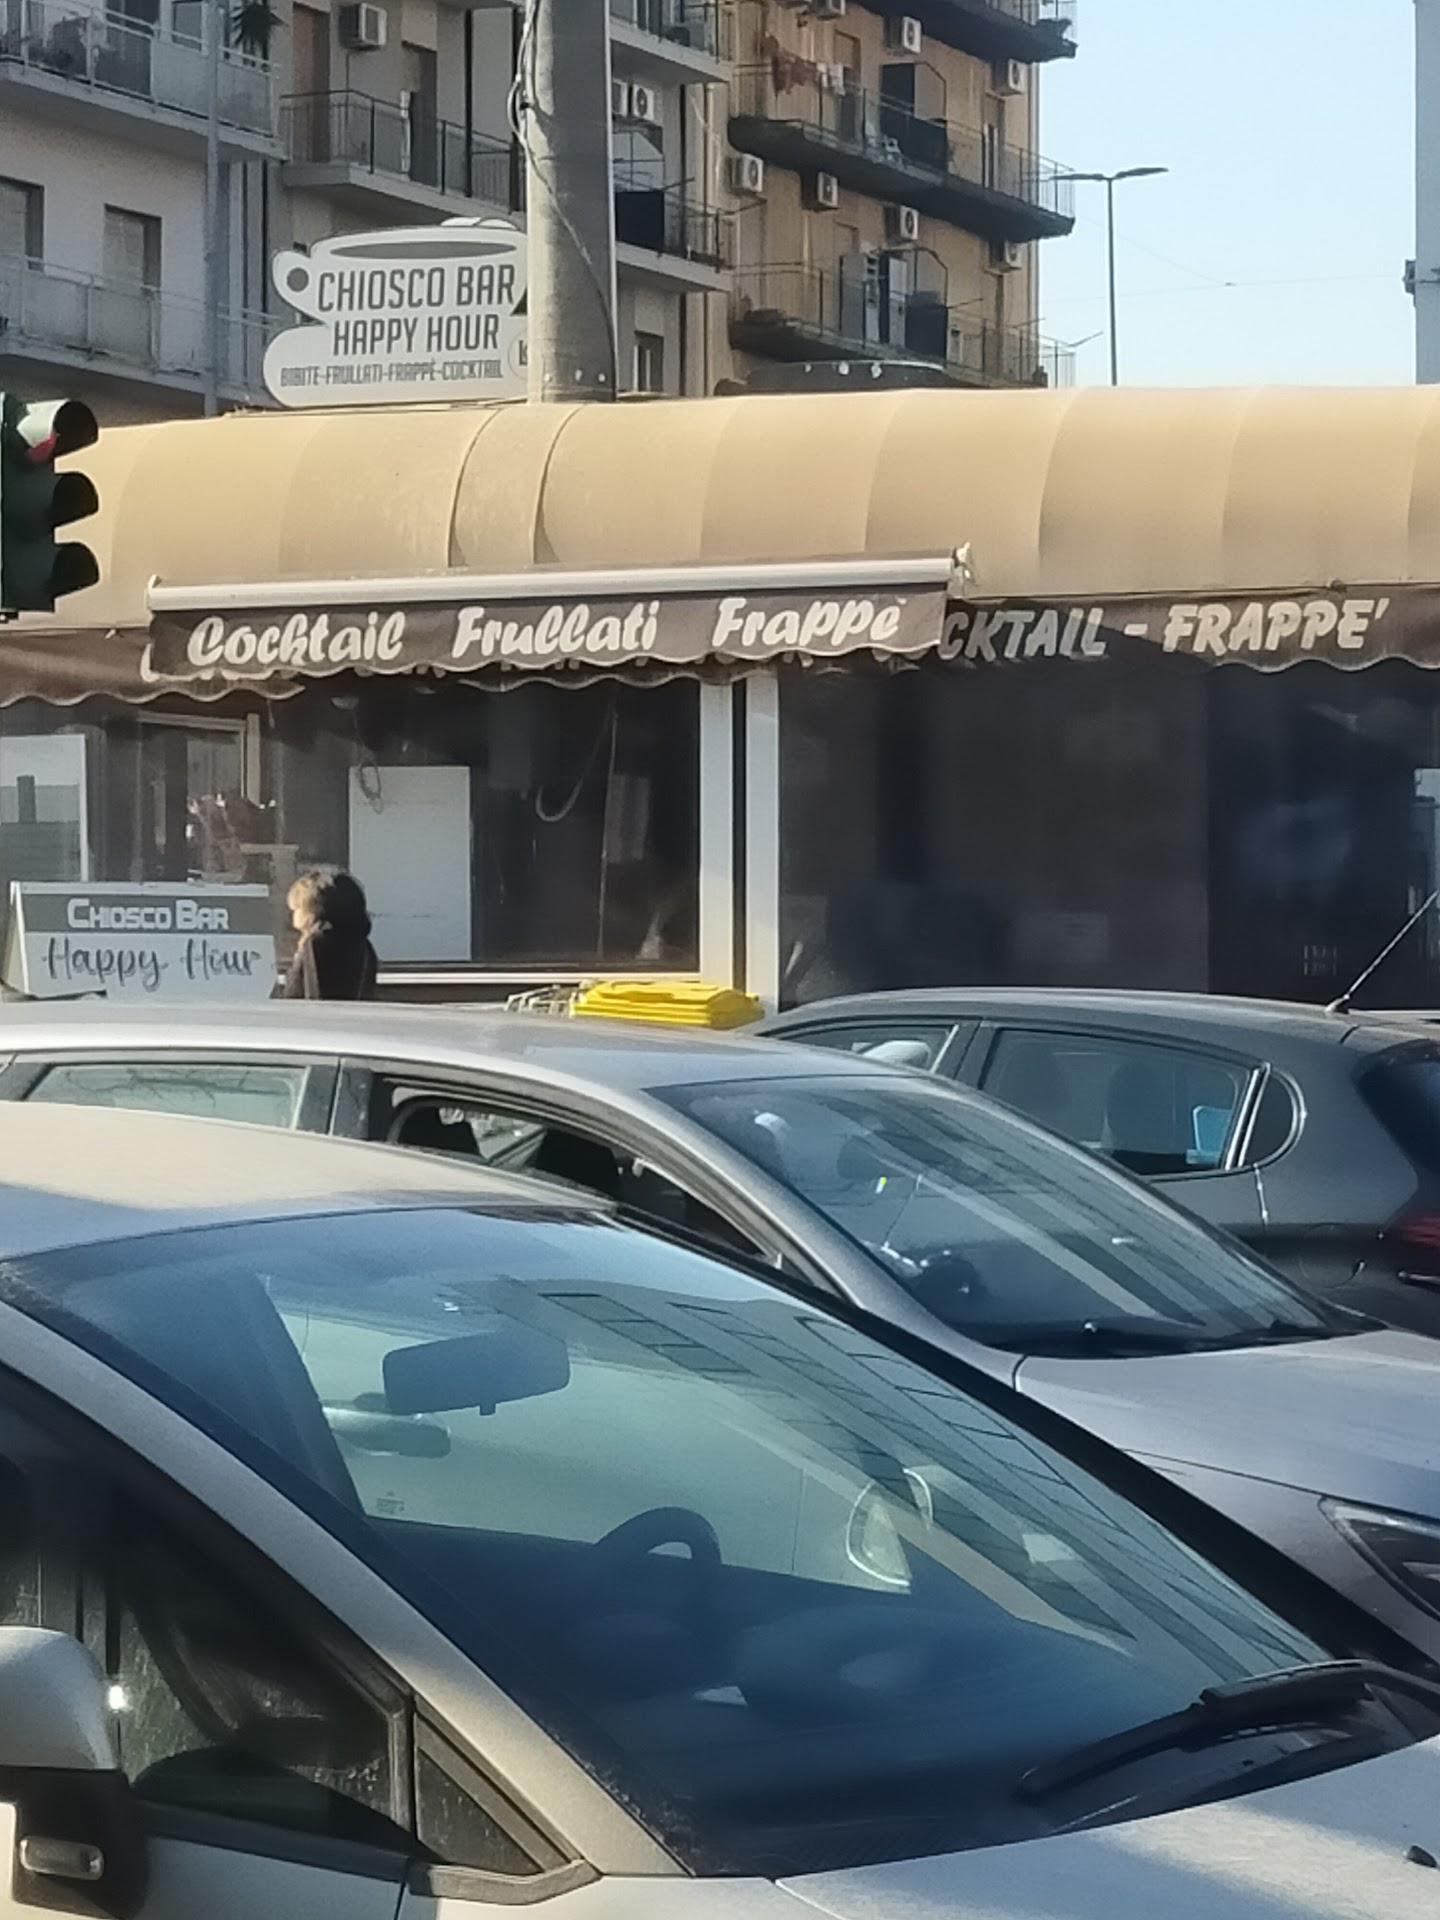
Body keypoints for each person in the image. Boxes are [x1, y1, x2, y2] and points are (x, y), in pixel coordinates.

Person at [281, 870, 379, 1001]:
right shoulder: (365, 947)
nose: (293, 916)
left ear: (311, 911)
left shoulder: (315, 945)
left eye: (296, 908)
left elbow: (295, 994)